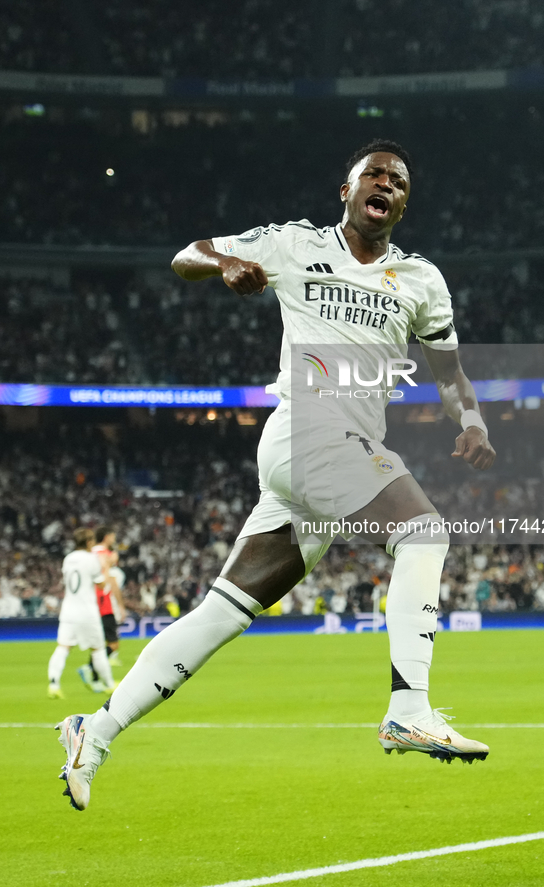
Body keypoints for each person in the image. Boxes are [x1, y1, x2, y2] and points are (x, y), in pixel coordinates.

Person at [56, 138, 496, 810]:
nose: (384, 183)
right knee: (423, 534)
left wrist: (471, 423)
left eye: (397, 180)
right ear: (343, 192)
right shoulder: (293, 244)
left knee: (222, 612)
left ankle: (96, 727)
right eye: (371, 174)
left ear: (403, 203)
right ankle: (409, 706)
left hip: (330, 459)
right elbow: (186, 255)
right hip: (308, 432)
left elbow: (449, 373)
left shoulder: (421, 282)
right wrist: (228, 262)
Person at [48, 528, 116, 701]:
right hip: (87, 611)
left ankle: (54, 684)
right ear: (88, 542)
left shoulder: (68, 559)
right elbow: (102, 585)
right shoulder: (91, 560)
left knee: (63, 647)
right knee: (98, 649)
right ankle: (109, 684)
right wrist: (106, 566)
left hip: (68, 610)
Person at [77, 527, 127, 692]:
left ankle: (96, 678)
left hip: (93, 602)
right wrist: (120, 605)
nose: (114, 539)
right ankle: (90, 668)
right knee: (112, 644)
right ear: (107, 537)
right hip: (104, 602)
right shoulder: (104, 555)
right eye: (113, 536)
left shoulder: (91, 553)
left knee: (99, 644)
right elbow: (110, 581)